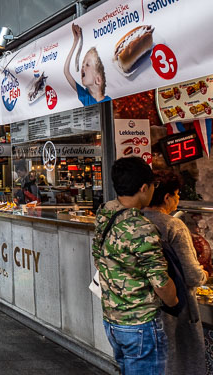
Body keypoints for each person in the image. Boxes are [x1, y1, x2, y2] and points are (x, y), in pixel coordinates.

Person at [92, 156, 178, 375]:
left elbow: (97, 258)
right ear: (143, 188)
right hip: (141, 325)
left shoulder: (105, 213)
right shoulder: (141, 228)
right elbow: (160, 282)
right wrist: (175, 301)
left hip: (112, 321)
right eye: (153, 186)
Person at [143, 170, 208, 375]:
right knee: (179, 364)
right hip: (174, 309)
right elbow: (192, 275)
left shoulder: (135, 220)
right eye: (177, 194)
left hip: (143, 307)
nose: (178, 199)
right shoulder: (174, 225)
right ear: (166, 197)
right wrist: (204, 274)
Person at [64, 23, 111, 106]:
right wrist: (75, 41)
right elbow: (66, 71)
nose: (82, 67)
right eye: (83, 65)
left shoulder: (108, 101)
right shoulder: (85, 96)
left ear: (98, 80)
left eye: (87, 65)